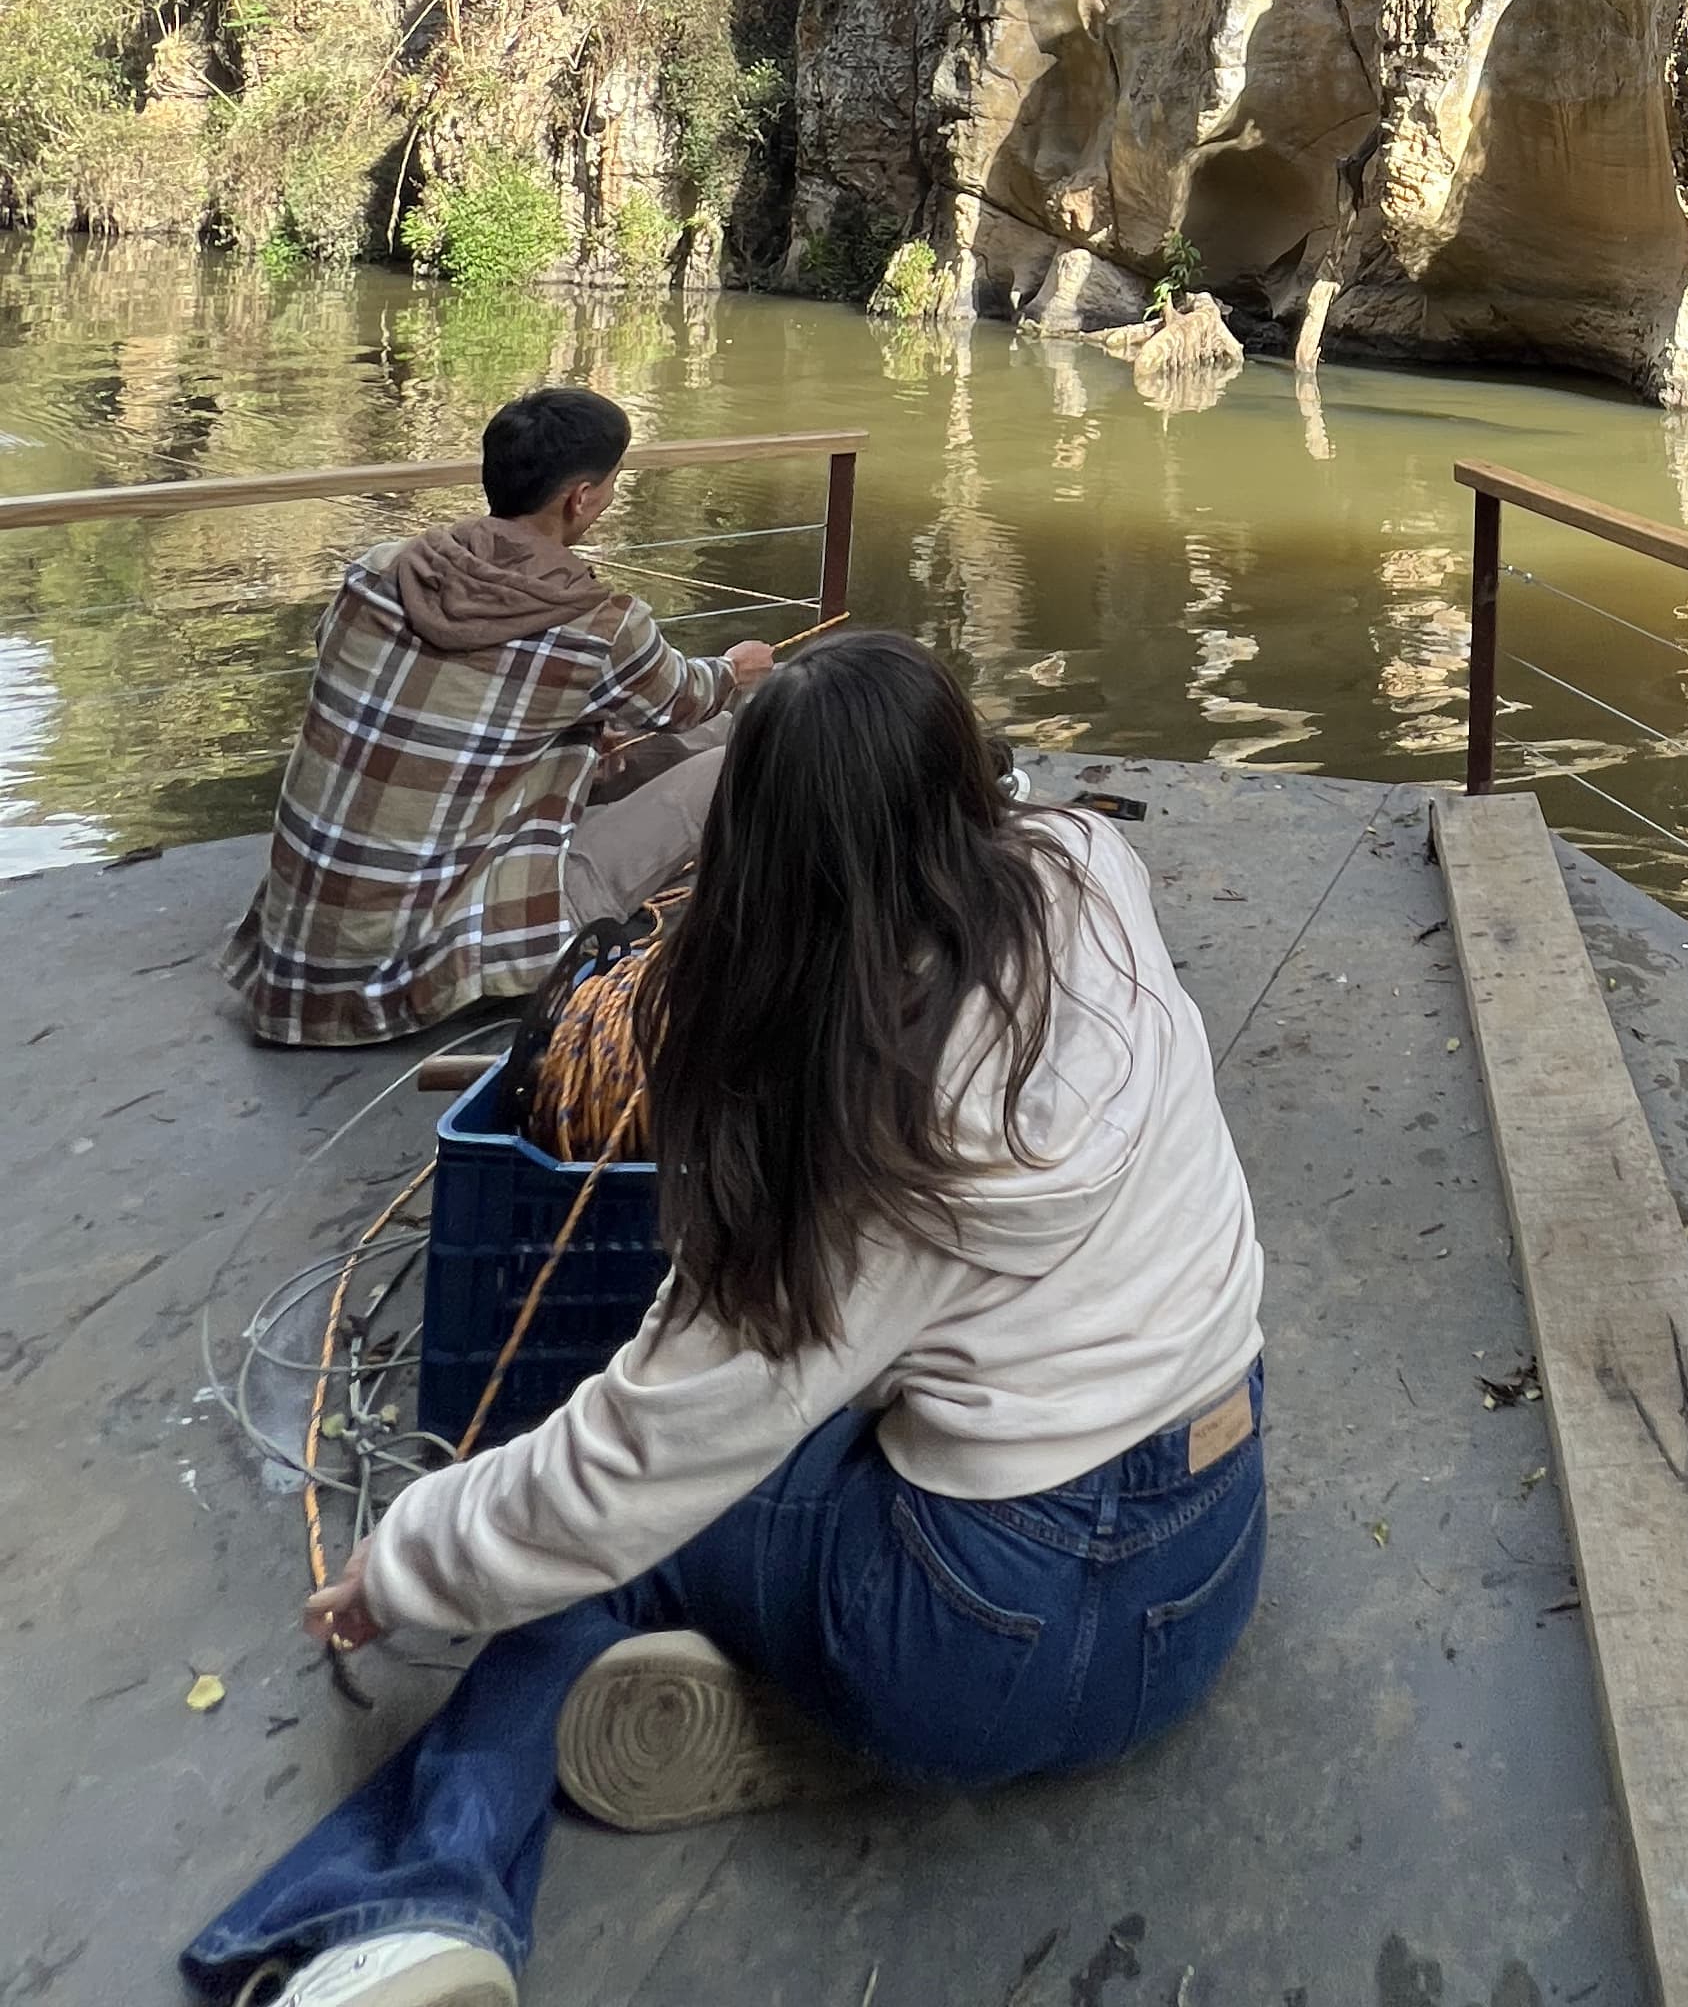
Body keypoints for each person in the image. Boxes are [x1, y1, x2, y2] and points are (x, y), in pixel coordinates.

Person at [182, 630, 1267, 2007]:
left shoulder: (856, 1134)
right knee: (731, 1463)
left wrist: (402, 1566)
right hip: (1211, 1552)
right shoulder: (1093, 879)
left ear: (749, 848)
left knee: (609, 1525)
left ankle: (420, 1904)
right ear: (972, 792)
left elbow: (621, 1473)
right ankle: (816, 1708)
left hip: (988, 1636)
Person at [223, 386, 775, 1049]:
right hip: (399, 984)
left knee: (622, 738)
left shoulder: (378, 571)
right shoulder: (597, 628)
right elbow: (687, 697)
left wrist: (578, 726)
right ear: (581, 498)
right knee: (747, 749)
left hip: (293, 967)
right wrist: (741, 668)